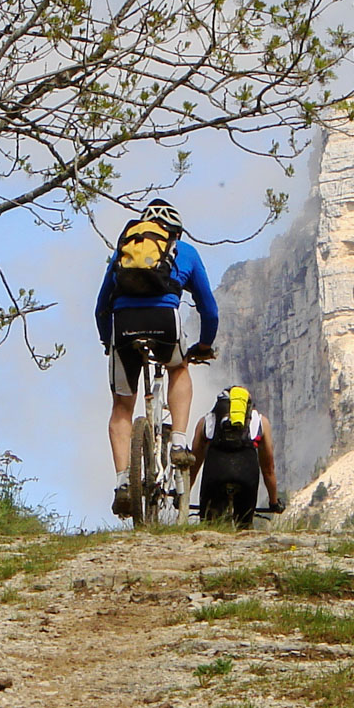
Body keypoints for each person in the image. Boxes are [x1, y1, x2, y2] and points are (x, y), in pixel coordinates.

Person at [95, 199, 219, 517]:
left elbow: (101, 306)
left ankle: (123, 482)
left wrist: (108, 342)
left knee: (122, 406)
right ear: (174, 231)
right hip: (165, 322)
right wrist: (204, 345)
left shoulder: (125, 249)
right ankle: (178, 441)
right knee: (179, 368)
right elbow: (209, 308)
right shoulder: (185, 252)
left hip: (122, 326)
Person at [189, 385, 283, 527]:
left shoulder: (206, 421)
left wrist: (183, 495)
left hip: (214, 476)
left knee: (210, 528)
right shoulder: (261, 422)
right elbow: (268, 468)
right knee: (244, 527)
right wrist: (274, 502)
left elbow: (194, 465)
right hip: (247, 477)